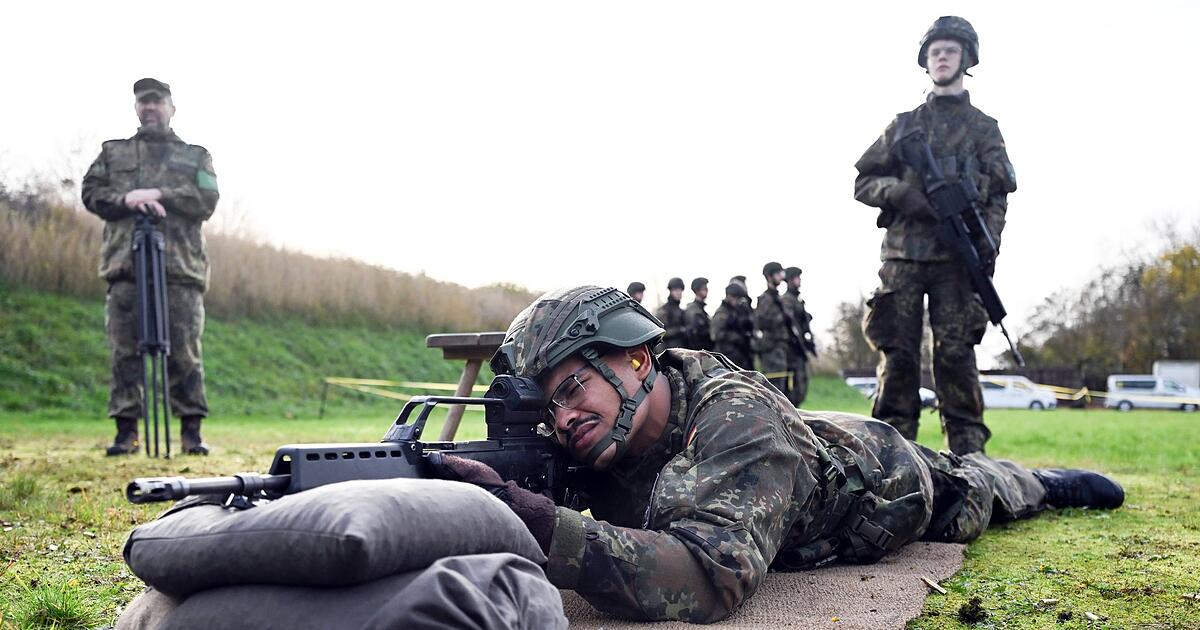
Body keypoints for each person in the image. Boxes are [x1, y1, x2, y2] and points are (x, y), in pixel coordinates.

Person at [431, 286, 1123, 623]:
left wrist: (548, 528)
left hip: (878, 483)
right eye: (547, 405)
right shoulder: (593, 433)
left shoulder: (739, 421)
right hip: (793, 446)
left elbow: (708, 576)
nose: (564, 416)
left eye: (574, 386)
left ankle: (1040, 481)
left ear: (638, 357)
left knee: (971, 490)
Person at [853, 16, 1017, 455]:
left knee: (955, 354)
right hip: (904, 257)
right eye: (935, 52)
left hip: (956, 260)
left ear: (966, 58)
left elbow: (1000, 193)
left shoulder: (984, 128)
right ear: (926, 62)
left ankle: (968, 453)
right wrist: (899, 193)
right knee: (898, 354)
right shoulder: (904, 126)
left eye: (950, 50)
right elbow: (862, 182)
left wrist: (988, 244)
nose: (942, 57)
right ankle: (889, 453)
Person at [82, 78, 219, 456]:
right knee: (124, 351)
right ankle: (127, 433)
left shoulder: (195, 155)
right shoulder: (114, 152)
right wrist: (127, 198)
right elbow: (91, 192)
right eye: (143, 102)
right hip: (125, 266)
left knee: (185, 352)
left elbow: (207, 199)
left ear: (172, 108)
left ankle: (192, 433)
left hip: (180, 270)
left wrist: (160, 194)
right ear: (136, 109)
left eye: (157, 102)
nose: (150, 108)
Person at [754, 262, 792, 397]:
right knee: (773, 388)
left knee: (782, 389)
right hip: (771, 349)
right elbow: (761, 322)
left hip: (780, 348)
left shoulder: (778, 299)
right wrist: (780, 319)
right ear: (769, 277)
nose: (780, 277)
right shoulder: (766, 299)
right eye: (777, 273)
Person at [781, 266, 816, 406]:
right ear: (790, 280)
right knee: (794, 389)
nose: (799, 280)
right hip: (792, 351)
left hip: (800, 350)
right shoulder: (786, 300)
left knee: (802, 386)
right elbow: (790, 324)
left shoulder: (797, 300)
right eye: (797, 277)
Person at [710, 282, 754, 369]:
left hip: (739, 354)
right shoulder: (722, 313)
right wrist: (735, 337)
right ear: (729, 296)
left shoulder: (735, 311)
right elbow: (715, 335)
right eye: (736, 298)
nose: (737, 301)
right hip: (727, 354)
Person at [654, 277, 687, 350]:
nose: (679, 293)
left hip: (681, 350)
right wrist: (679, 330)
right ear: (670, 291)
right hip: (668, 351)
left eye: (680, 290)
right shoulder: (664, 311)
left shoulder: (681, 311)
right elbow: (660, 333)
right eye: (676, 290)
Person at [683, 277, 713, 351]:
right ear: (697, 290)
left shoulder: (700, 309)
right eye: (704, 288)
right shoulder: (693, 310)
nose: (707, 290)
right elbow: (693, 336)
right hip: (699, 353)